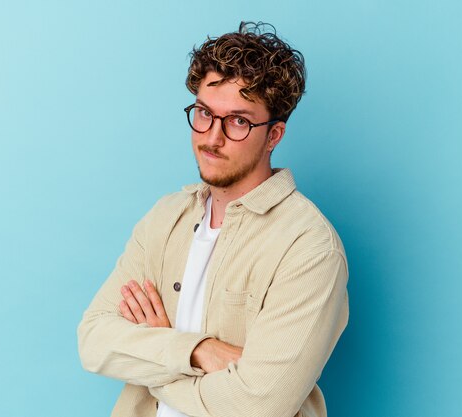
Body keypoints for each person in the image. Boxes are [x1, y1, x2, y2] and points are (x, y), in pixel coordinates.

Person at [77, 21, 349, 417]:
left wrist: (157, 356)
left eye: (238, 120)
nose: (211, 137)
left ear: (274, 135)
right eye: (204, 113)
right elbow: (94, 340)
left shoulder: (309, 247)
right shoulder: (165, 217)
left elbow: (259, 404)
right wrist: (198, 350)